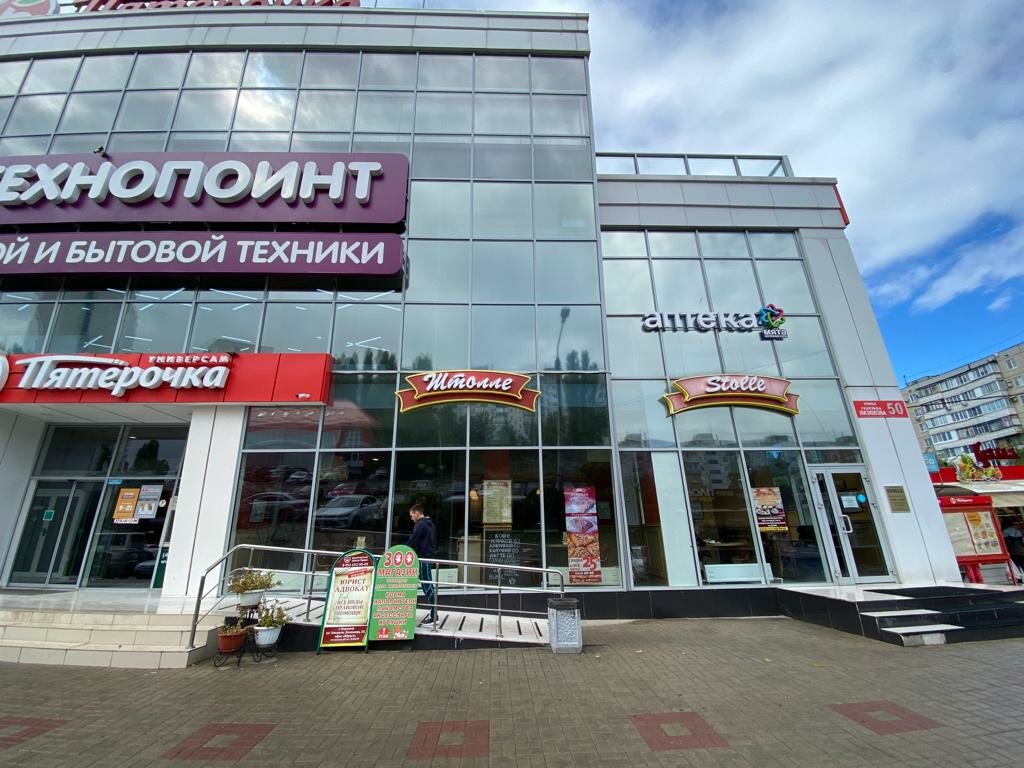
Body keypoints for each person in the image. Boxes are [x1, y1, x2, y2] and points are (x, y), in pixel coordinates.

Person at [407, 503, 437, 623]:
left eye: (411, 515)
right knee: (428, 586)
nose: (411, 518)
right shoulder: (430, 524)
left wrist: (402, 551)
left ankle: (434, 616)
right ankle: (433, 613)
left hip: (423, 558)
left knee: (427, 587)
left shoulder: (420, 525)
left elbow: (413, 541)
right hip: (428, 557)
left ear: (417, 513)